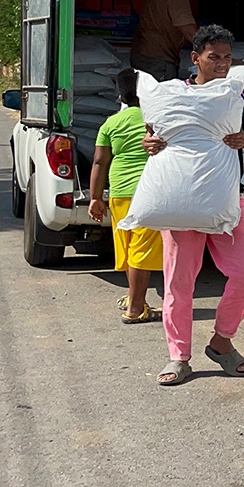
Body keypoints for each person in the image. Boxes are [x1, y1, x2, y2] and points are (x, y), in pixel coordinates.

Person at [143, 24, 244, 386]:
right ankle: (178, 356)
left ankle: (222, 342)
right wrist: (151, 144)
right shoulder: (173, 95)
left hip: (228, 200)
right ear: (195, 58)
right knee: (180, 282)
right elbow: (152, 137)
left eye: (228, 58)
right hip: (182, 201)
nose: (222, 64)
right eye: (214, 57)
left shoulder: (240, 95)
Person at [88, 68, 163, 324]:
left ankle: (134, 300)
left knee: (130, 249)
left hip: (119, 192)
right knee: (141, 252)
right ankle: (134, 307)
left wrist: (95, 198)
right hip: (149, 191)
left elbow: (99, 162)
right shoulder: (157, 119)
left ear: (120, 95)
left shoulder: (111, 123)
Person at [130, 0, 211, 82]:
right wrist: (217, 55)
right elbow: (191, 34)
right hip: (158, 60)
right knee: (161, 98)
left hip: (142, 53)